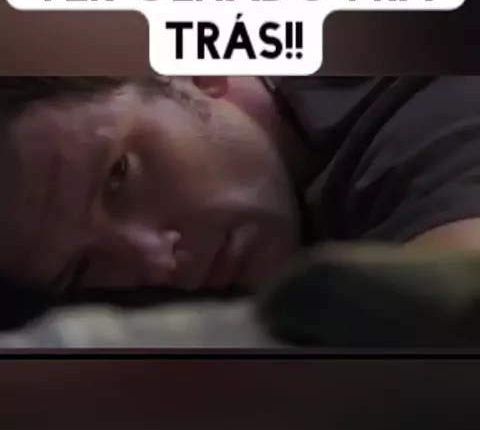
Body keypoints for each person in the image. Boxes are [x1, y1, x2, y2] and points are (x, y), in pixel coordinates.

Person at [1, 73, 480, 302]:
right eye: (84, 268)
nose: (157, 262)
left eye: (119, 176)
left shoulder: (430, 109)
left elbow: (453, 296)